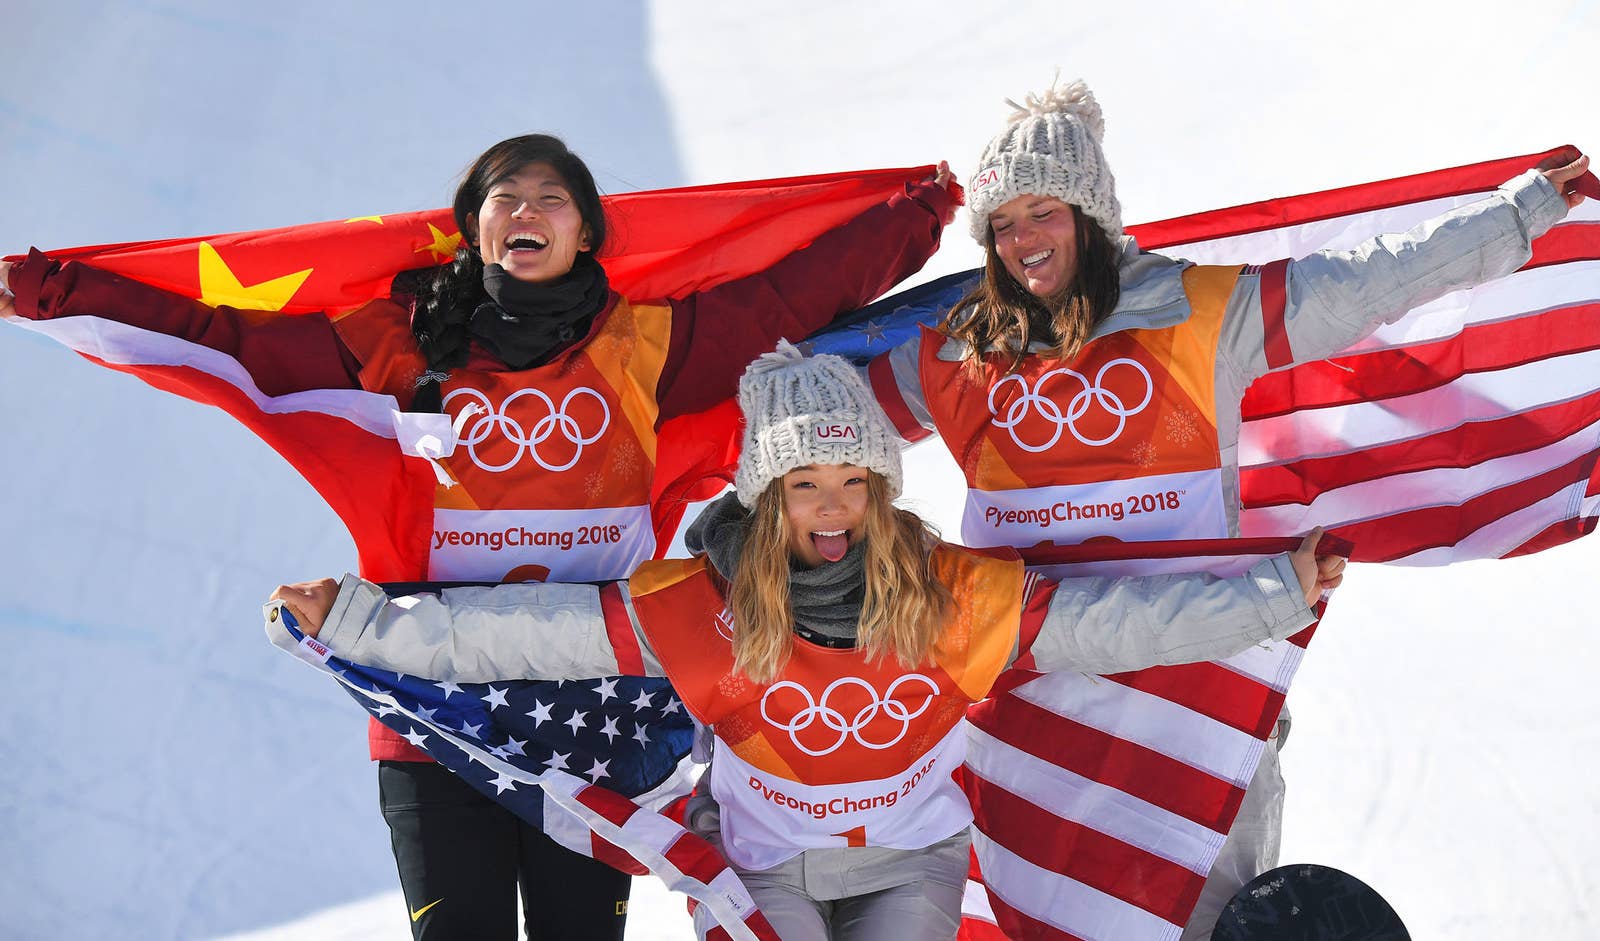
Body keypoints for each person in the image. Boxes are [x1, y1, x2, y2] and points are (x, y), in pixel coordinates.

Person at [0, 135, 959, 941]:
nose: (527, 210)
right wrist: (73, 295)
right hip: (436, 718)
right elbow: (233, 339)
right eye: (507, 196)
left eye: (552, 197)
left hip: (595, 722)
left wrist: (909, 220)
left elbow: (789, 301)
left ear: (587, 230)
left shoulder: (648, 345)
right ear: (478, 225)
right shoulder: (396, 346)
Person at [268, 342, 1345, 941]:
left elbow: (1117, 625)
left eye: (852, 481)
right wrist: (360, 620)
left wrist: (1273, 592)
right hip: (758, 861)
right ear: (765, 492)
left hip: (909, 859)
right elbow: (520, 634)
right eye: (803, 482)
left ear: (879, 488)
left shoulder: (947, 594)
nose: (830, 507)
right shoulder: (699, 604)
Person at [863, 78, 1592, 938]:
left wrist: (1515, 218)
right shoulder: (958, 354)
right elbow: (820, 433)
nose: (1024, 241)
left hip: (1194, 709)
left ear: (1090, 213)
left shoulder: (1199, 316)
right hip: (1033, 718)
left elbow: (1366, 285)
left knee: (1199, 920)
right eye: (1005, 224)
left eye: (1044, 211)